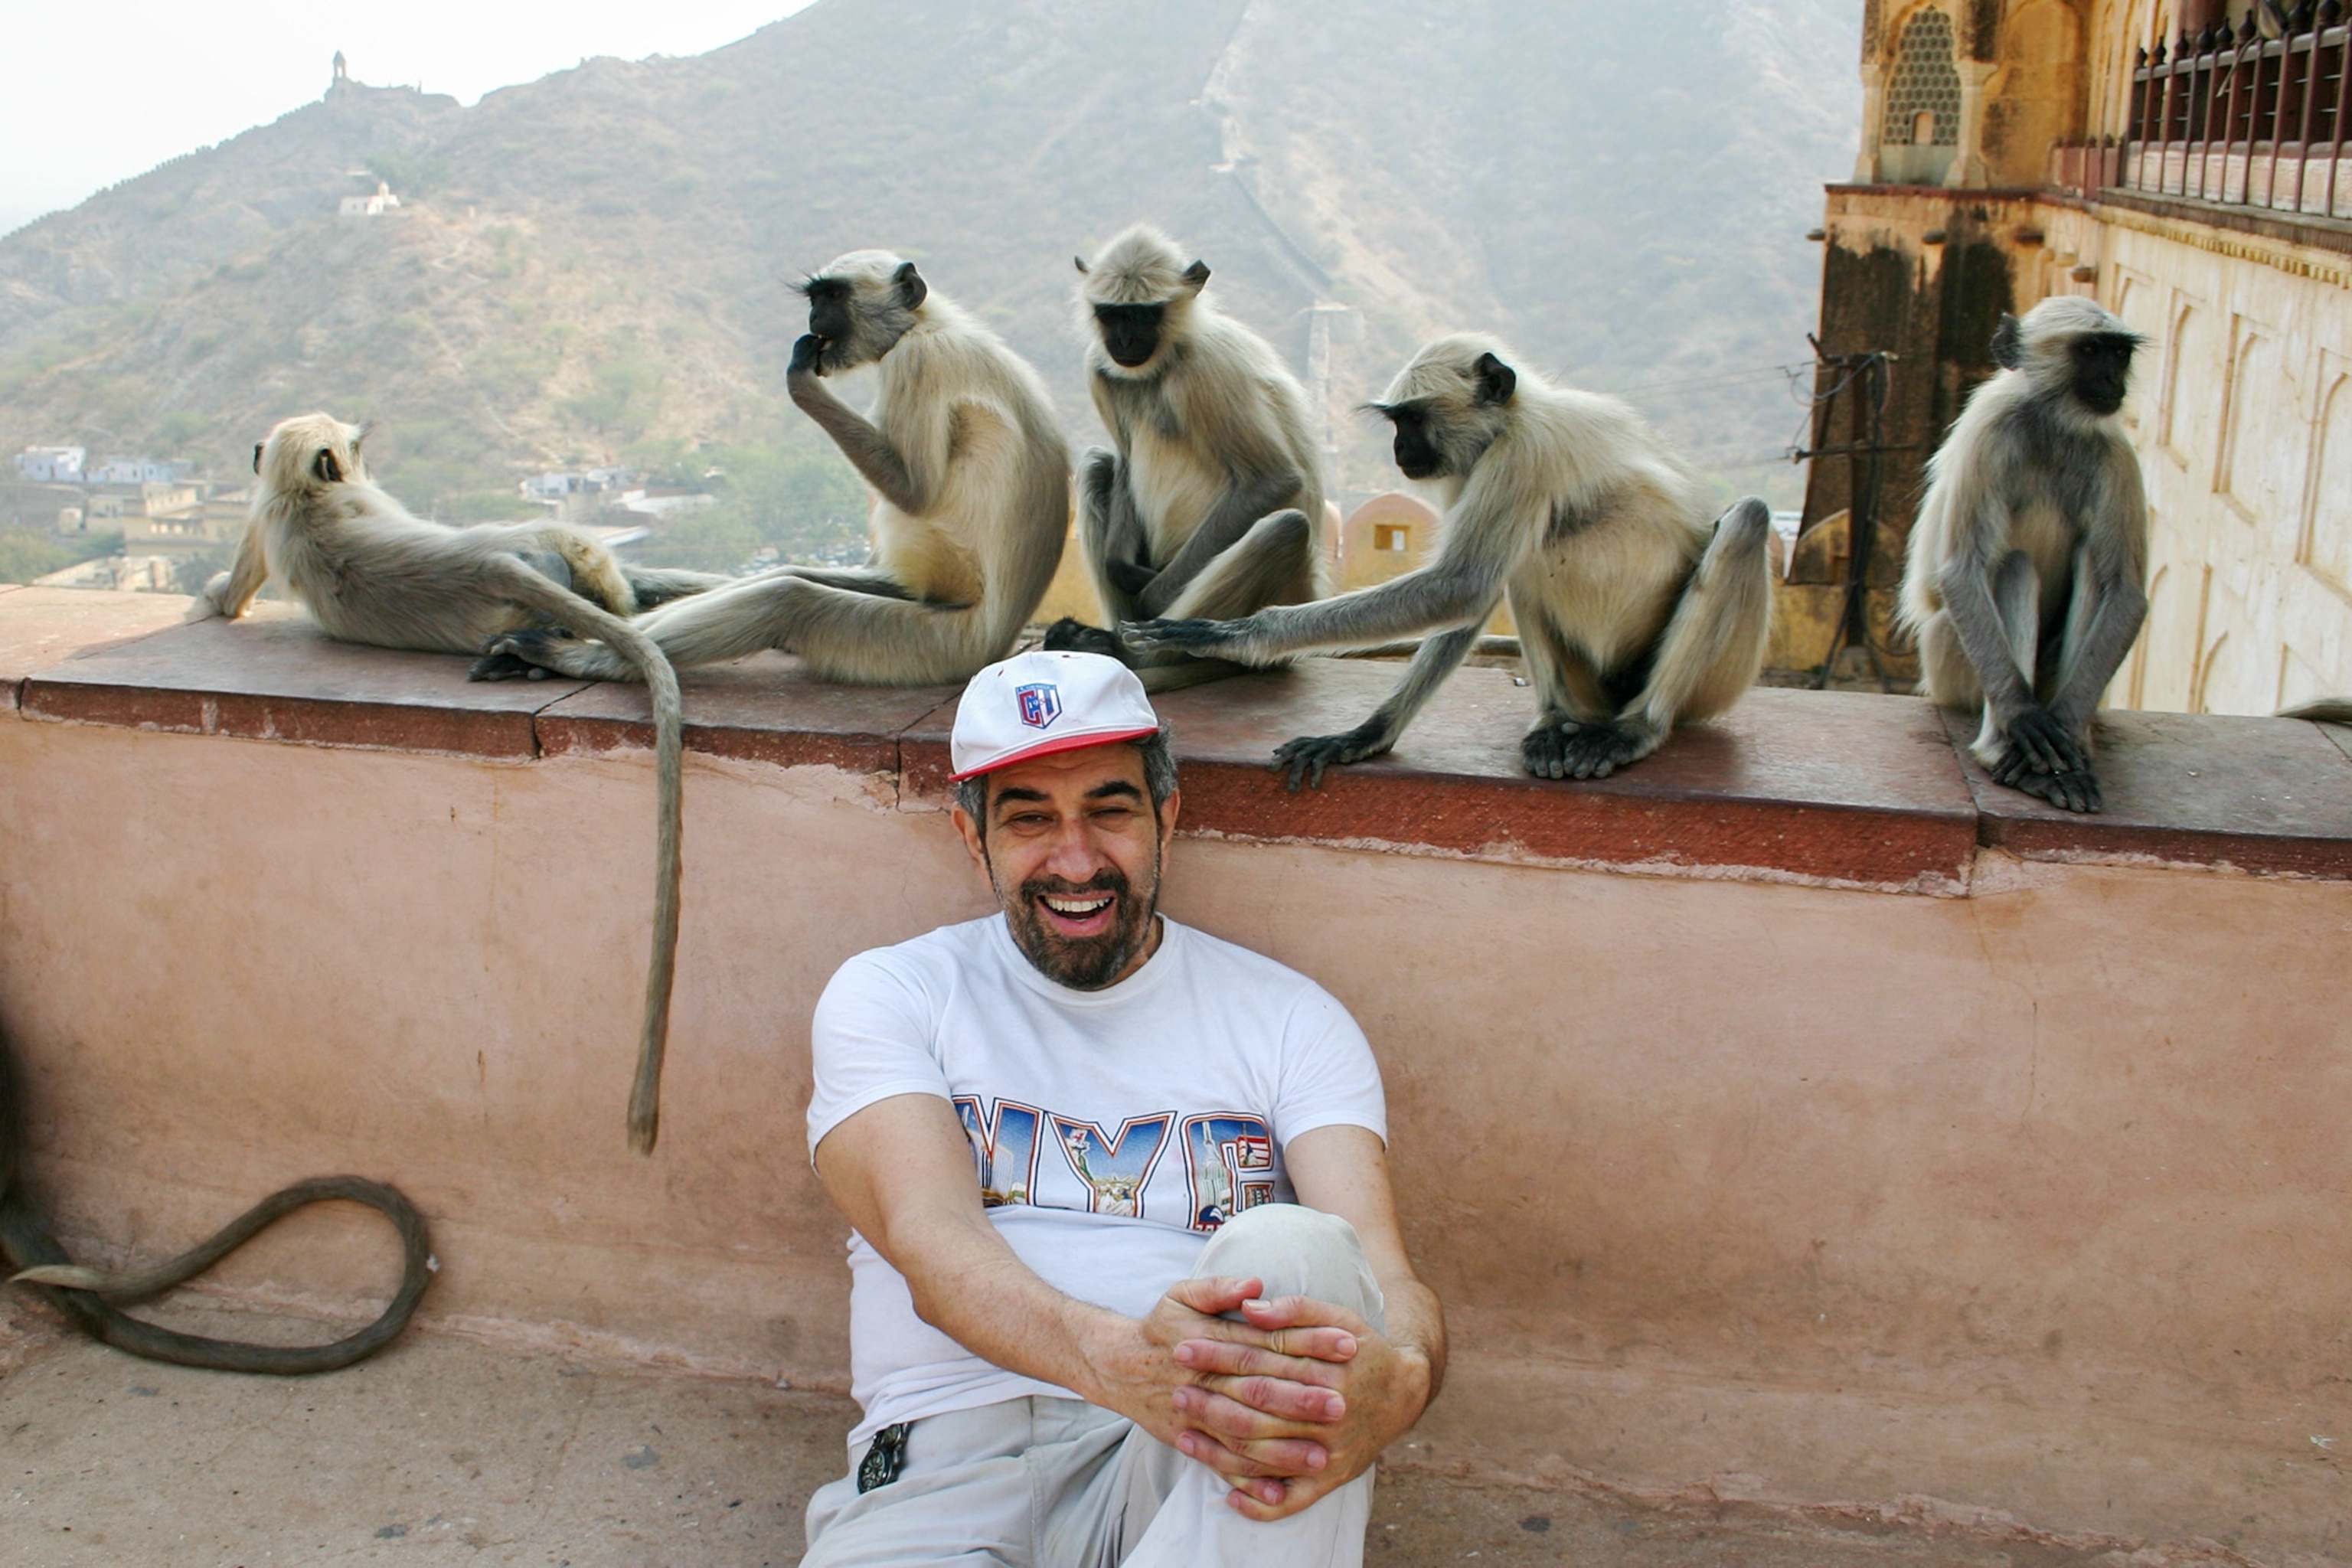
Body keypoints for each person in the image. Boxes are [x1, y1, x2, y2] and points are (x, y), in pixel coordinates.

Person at [802, 648, 1445, 1566]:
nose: (1077, 858)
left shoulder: (1288, 1017)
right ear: (970, 835)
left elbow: (1379, 1267)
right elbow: (934, 1250)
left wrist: (1404, 1380)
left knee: (1297, 1252)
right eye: (1030, 817)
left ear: (1165, 817)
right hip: (948, 1459)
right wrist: (1135, 1365)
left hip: (1198, 1458)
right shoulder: (896, 992)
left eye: (1109, 809)